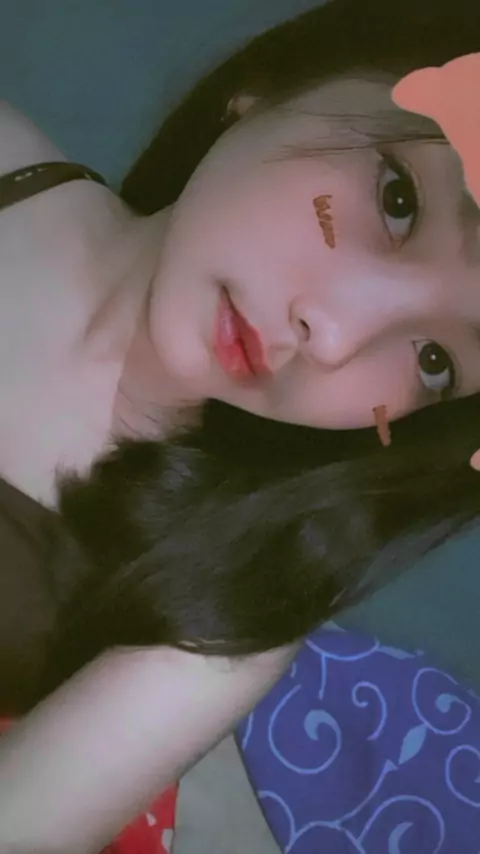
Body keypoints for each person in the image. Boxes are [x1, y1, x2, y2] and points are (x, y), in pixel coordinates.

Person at [0, 0, 479, 849]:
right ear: (271, 87)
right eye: (398, 199)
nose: (333, 336)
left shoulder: (236, 595)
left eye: (435, 362)